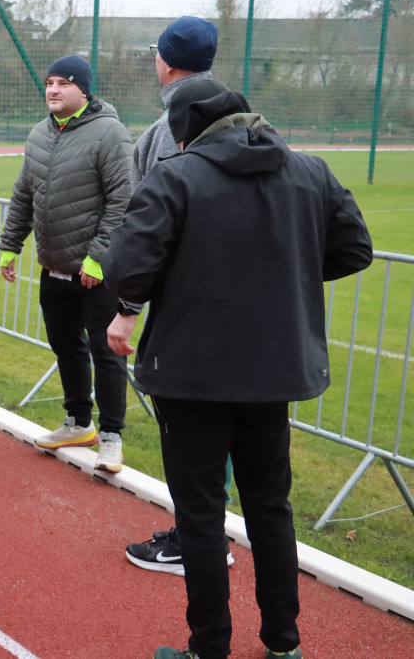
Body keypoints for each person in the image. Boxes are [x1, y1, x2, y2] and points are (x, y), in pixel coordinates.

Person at [103, 80, 373, 659]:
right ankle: (283, 644)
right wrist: (280, 274)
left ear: (185, 128)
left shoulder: (175, 176)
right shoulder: (310, 172)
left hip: (192, 372)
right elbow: (353, 247)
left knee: (201, 515)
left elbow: (125, 271)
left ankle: (210, 647)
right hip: (274, 369)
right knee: (270, 508)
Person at [114, 16, 236, 576]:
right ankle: (203, 533)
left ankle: (196, 539)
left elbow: (150, 226)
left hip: (188, 307)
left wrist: (128, 309)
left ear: (165, 61)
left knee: (193, 434)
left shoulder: (170, 128)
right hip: (239, 305)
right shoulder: (245, 117)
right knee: (235, 436)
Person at [0, 54, 133, 472]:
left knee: (105, 352)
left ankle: (111, 437)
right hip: (53, 267)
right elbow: (24, 195)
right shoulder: (39, 134)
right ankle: (78, 422)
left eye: (63, 83)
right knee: (66, 347)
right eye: (49, 82)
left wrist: (97, 258)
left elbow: (123, 200)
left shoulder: (110, 133)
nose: (53, 90)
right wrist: (9, 245)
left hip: (95, 273)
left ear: (84, 90)